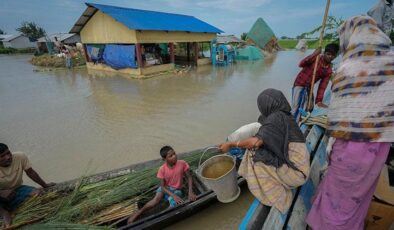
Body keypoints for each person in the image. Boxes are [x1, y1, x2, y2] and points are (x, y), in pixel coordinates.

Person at [306, 15, 394, 230]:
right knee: (359, 193)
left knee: (339, 196)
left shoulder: (348, 68)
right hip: (381, 144)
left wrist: (330, 146)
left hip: (352, 147)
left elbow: (337, 117)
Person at [219, 89, 310, 213]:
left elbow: (255, 142)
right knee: (258, 151)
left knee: (254, 155)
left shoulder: (276, 117)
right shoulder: (285, 116)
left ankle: (280, 199)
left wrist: (231, 144)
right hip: (300, 168)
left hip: (297, 173)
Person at [127, 146, 196, 224]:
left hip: (177, 189)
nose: (174, 156)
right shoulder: (162, 169)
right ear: (164, 159)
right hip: (165, 189)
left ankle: (162, 216)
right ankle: (140, 211)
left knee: (173, 204)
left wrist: (190, 192)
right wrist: (173, 195)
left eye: (174, 153)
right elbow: (163, 187)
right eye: (171, 156)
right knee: (155, 201)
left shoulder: (182, 163)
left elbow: (189, 177)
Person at [0, 143, 55, 227]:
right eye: (2, 156)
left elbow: (31, 173)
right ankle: (4, 213)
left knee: (38, 194)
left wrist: (45, 185)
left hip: (17, 189)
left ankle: (13, 207)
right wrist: (2, 193)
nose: (8, 157)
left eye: (8, 153)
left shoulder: (19, 156)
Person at [291, 43, 339, 121]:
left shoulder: (328, 70)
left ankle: (302, 123)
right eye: (328, 54)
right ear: (324, 53)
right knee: (296, 108)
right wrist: (314, 54)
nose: (330, 56)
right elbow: (301, 64)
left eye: (333, 55)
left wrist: (319, 101)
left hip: (309, 87)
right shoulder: (316, 58)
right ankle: (292, 124)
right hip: (299, 84)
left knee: (310, 108)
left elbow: (322, 87)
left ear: (335, 56)